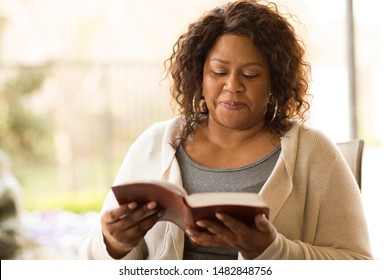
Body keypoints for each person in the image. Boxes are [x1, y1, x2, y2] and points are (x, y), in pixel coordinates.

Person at [79, 0, 372, 260]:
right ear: (199, 77)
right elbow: (91, 258)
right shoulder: (154, 145)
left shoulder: (315, 153)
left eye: (250, 74)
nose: (232, 85)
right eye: (219, 72)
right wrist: (114, 244)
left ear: (274, 81)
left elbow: (358, 265)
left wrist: (271, 250)